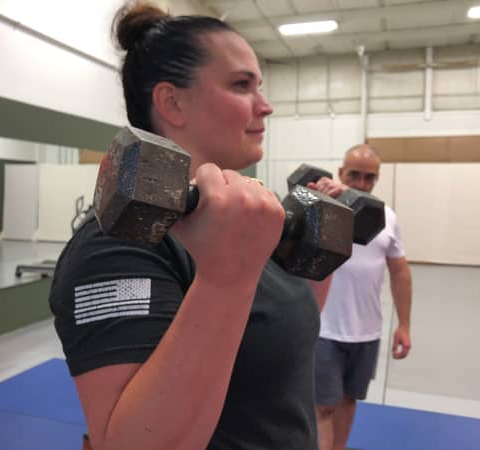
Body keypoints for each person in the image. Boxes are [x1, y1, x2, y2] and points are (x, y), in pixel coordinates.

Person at [49, 3, 332, 450]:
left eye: (259, 86)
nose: (266, 106)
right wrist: (224, 278)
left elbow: (284, 330)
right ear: (172, 102)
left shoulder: (242, 215)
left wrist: (318, 252)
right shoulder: (120, 241)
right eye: (241, 85)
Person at [307, 144, 412, 450]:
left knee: (348, 399)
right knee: (322, 407)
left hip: (366, 332)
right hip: (323, 330)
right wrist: (321, 201)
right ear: (341, 173)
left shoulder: (387, 217)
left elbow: (400, 271)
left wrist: (404, 324)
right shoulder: (321, 209)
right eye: (354, 175)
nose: (362, 184)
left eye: (370, 178)